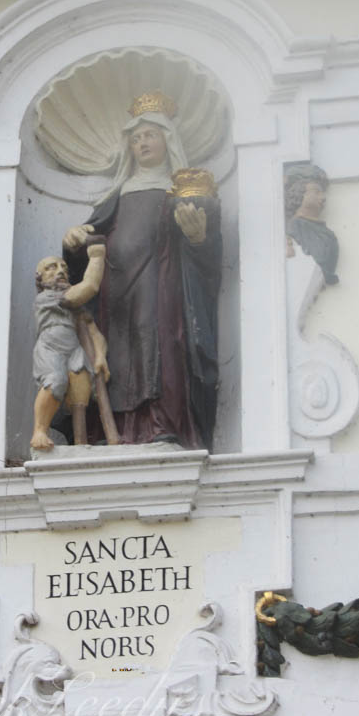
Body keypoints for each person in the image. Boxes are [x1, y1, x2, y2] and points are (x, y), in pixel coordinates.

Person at [62, 91, 222, 450]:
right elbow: (94, 237)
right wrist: (74, 240)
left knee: (162, 343)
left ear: (167, 138)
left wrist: (198, 239)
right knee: (116, 352)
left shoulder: (180, 190)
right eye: (135, 138)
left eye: (150, 134)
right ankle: (112, 429)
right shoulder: (116, 195)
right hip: (114, 287)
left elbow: (207, 257)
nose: (142, 143)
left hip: (160, 278)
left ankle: (163, 423)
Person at [31, 244, 110, 450]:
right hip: (51, 347)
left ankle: (81, 442)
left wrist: (100, 355)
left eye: (64, 268)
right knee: (55, 381)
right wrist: (96, 258)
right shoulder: (47, 298)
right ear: (39, 277)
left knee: (81, 391)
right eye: (51, 267)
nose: (60, 271)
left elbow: (93, 332)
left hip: (74, 349)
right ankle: (39, 431)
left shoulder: (75, 305)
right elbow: (89, 287)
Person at [284, 164, 338, 285]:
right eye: (317, 192)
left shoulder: (328, 234)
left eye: (323, 193)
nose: (323, 198)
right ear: (300, 194)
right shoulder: (295, 228)